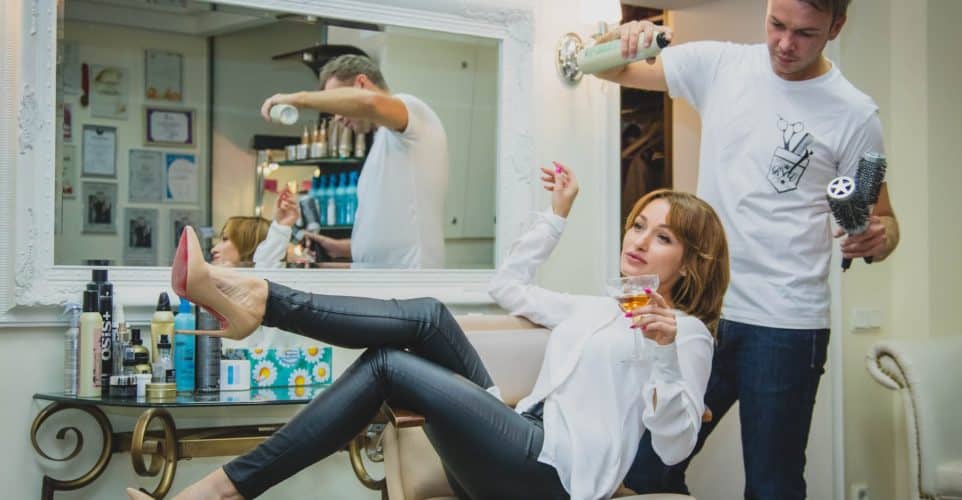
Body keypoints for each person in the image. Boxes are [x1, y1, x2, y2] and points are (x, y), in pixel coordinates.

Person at [128, 162, 730, 500]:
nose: (639, 240)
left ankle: (224, 486)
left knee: (389, 365)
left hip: (554, 477)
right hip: (525, 436)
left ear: (690, 260)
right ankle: (262, 300)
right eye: (638, 224)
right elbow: (509, 288)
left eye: (663, 236)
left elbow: (676, 447)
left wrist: (663, 354)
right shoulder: (594, 308)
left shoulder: (687, 335)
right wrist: (558, 212)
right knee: (429, 317)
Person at [594, 1, 901, 498]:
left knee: (772, 485)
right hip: (702, 313)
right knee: (646, 469)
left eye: (805, 33)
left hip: (787, 324)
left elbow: (881, 217)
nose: (784, 44)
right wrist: (620, 38)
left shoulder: (855, 113)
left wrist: (881, 235)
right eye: (777, 24)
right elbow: (606, 68)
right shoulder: (719, 65)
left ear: (836, 27)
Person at [260, 54, 448, 269]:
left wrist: (298, 99)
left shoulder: (413, 110)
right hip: (381, 282)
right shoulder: (382, 142)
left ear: (361, 84)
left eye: (338, 105)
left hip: (410, 282)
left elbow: (370, 103)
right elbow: (389, 236)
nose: (338, 118)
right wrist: (340, 249)